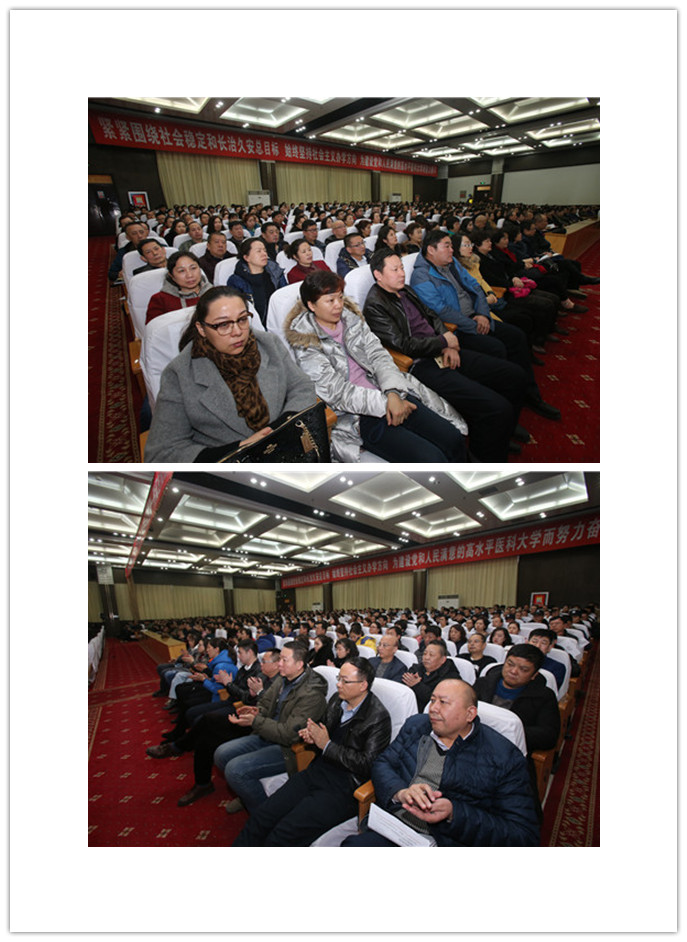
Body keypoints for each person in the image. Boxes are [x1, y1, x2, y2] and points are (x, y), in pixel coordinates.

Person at [284, 269, 468, 463]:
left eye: (340, 297)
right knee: (432, 459)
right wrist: (386, 403)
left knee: (452, 437)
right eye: (330, 301)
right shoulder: (305, 342)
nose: (338, 305)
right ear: (311, 305)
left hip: (390, 391)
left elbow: (378, 355)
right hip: (358, 415)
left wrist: (393, 392)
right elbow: (336, 393)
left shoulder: (351, 319)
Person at [364, 249, 530, 462]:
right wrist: (443, 342)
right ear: (378, 275)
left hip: (443, 351)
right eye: (395, 269)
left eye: (402, 268)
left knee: (514, 375)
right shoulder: (375, 305)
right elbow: (404, 345)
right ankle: (483, 457)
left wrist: (447, 340)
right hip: (422, 365)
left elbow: (432, 316)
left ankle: (501, 432)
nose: (402, 273)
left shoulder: (405, 290)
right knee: (496, 408)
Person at [341, 679, 540, 846]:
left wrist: (454, 814)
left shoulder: (504, 757)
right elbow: (383, 763)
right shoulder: (416, 725)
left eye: (443, 702)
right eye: (432, 700)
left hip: (449, 838)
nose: (433, 708)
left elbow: (523, 834)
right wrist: (400, 792)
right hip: (397, 825)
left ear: (470, 714)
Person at [144, 286, 317, 463]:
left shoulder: (268, 344)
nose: (237, 332)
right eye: (223, 325)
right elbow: (162, 452)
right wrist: (238, 450)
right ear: (201, 329)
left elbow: (301, 386)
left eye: (242, 319)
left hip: (286, 449)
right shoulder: (179, 374)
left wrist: (282, 428)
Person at [233, 657, 391, 846]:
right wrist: (311, 737)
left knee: (283, 834)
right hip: (318, 770)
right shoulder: (337, 700)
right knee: (263, 816)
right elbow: (323, 731)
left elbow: (367, 765)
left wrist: (327, 745)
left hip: (345, 787)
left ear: (363, 685)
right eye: (338, 678)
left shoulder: (378, 718)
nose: (338, 685)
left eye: (345, 681)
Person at [410, 230, 561, 421]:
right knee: (496, 348)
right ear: (431, 250)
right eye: (446, 246)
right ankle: (503, 405)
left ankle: (530, 395)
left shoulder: (452, 263)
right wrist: (473, 323)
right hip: (457, 328)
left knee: (517, 336)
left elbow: (475, 286)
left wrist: (482, 314)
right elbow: (441, 311)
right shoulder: (421, 276)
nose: (452, 250)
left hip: (476, 317)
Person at [214, 642, 329, 814]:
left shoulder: (312, 693)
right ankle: (246, 794)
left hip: (287, 748)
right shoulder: (283, 678)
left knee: (235, 771)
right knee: (221, 754)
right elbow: (265, 702)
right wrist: (257, 711)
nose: (279, 664)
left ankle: (264, 815)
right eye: (279, 658)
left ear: (299, 665)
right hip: (267, 733)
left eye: (284, 660)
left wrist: (255, 721)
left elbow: (289, 734)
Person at [474, 643, 560, 757]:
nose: (513, 671)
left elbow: (548, 736)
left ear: (534, 675)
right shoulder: (483, 683)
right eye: (510, 664)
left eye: (523, 669)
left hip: (510, 753)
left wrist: (507, 731)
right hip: (473, 743)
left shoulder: (543, 696)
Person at [226, 237, 286, 326]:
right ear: (246, 257)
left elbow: (285, 297)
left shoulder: (275, 272)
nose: (264, 254)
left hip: (279, 320)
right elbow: (236, 310)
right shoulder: (236, 281)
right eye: (259, 251)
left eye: (265, 250)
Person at [145, 251, 212, 324]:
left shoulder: (214, 292)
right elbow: (154, 328)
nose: (189, 275)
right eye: (181, 271)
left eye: (193, 268)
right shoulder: (160, 300)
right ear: (171, 276)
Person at [402, 638, 460, 711]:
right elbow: (403, 684)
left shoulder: (451, 677)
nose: (426, 657)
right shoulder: (417, 668)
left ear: (443, 659)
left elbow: (439, 699)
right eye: (425, 654)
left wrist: (417, 685)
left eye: (431, 655)